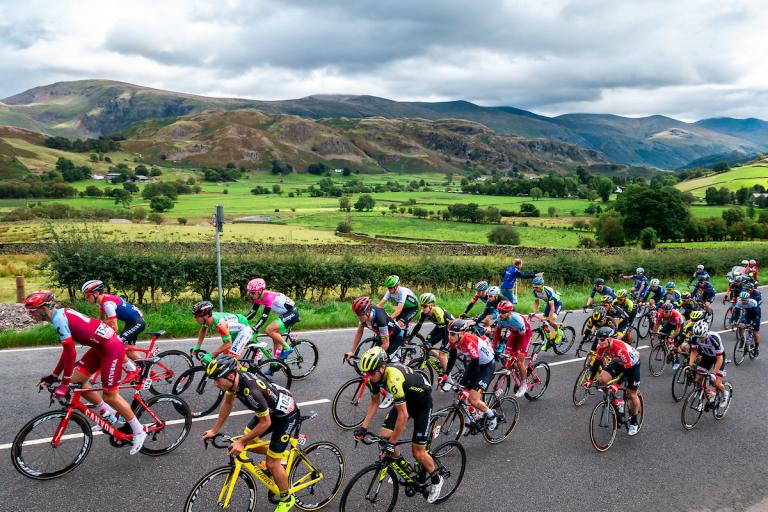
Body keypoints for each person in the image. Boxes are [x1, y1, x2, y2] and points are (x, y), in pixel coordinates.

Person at [26, 291, 146, 454]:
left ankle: (139, 431)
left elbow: (70, 353)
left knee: (110, 395)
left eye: (32, 310)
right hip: (99, 346)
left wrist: (63, 383)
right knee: (77, 382)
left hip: (111, 348)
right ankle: (109, 413)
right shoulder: (59, 316)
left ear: (44, 308)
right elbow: (67, 351)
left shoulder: (59, 319)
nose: (30, 314)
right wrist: (54, 376)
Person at [202, 354, 299, 512]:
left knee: (271, 463)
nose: (214, 384)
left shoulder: (250, 391)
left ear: (231, 375)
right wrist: (215, 430)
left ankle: (287, 499)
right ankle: (280, 454)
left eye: (217, 379)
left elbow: (265, 422)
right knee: (249, 441)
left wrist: (240, 442)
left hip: (286, 415)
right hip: (270, 409)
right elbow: (228, 403)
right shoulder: (233, 383)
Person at [353, 347, 443, 503]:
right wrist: (363, 427)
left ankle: (437, 479)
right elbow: (375, 402)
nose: (369, 376)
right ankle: (406, 469)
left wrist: (392, 443)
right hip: (406, 400)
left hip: (422, 404)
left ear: (382, 368)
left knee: (418, 453)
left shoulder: (392, 378)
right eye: (367, 373)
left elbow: (404, 415)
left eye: (371, 373)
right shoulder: (375, 376)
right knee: (384, 437)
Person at [81, 279, 145, 378]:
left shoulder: (107, 304)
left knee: (117, 345)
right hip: (131, 322)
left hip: (137, 323)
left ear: (96, 293)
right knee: (129, 351)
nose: (86, 298)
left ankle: (133, 371)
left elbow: (114, 326)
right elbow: (100, 321)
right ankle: (148, 370)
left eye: (87, 295)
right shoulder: (101, 301)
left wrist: (101, 338)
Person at [586, 327, 641, 435]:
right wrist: (590, 380)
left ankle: (634, 421)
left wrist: (616, 385)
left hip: (632, 365)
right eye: (598, 339)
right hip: (618, 362)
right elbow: (596, 364)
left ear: (610, 339)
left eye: (602, 339)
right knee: (602, 380)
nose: (599, 342)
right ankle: (616, 401)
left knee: (632, 394)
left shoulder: (620, 349)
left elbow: (628, 370)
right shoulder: (600, 346)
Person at [446, 319, 497, 430]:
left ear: (462, 333)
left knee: (473, 399)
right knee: (462, 394)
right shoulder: (453, 339)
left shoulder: (469, 342)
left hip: (486, 366)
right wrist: (446, 374)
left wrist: (469, 384)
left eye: (453, 334)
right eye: (449, 333)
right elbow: (452, 357)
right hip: (475, 363)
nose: (450, 336)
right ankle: (469, 420)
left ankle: (491, 415)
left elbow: (476, 367)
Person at [246, 278, 299, 361]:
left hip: (292, 312)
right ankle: (275, 364)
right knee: (276, 340)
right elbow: (252, 312)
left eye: (253, 292)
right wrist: (241, 320)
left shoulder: (268, 297)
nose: (251, 295)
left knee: (269, 330)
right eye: (249, 292)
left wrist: (255, 328)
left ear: (260, 291)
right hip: (284, 314)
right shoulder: (258, 298)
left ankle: (288, 348)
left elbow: (264, 316)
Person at [489, 300, 532, 397]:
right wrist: (494, 348)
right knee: (507, 356)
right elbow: (497, 333)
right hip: (514, 333)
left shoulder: (517, 320)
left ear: (509, 312)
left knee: (520, 360)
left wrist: (519, 352)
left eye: (503, 312)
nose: (500, 314)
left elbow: (522, 338)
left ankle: (524, 383)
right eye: (499, 311)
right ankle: (519, 370)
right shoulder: (499, 319)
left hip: (524, 335)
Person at [410, 293, 454, 387]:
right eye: (421, 305)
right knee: (425, 347)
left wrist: (440, 348)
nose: (423, 308)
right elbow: (418, 326)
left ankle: (448, 379)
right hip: (441, 327)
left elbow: (444, 333)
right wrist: (409, 338)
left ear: (431, 305)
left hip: (450, 331)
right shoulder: (424, 313)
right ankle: (442, 362)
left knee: (442, 354)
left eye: (424, 306)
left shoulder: (437, 311)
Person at [687, 321, 729, 411]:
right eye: (698, 337)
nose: (700, 339)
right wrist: (690, 365)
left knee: (716, 383)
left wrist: (713, 374)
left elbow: (719, 359)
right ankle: (703, 400)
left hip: (718, 357)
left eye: (701, 337)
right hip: (707, 356)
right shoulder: (694, 337)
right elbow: (694, 351)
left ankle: (725, 393)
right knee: (698, 380)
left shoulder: (713, 338)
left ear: (706, 332)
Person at [530, 276, 564, 349]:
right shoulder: (535, 292)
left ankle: (559, 332)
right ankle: (548, 342)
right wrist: (534, 312)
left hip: (557, 304)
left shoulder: (547, 292)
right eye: (534, 287)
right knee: (544, 324)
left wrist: (549, 319)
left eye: (537, 287)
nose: (535, 289)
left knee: (550, 321)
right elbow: (536, 302)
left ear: (542, 286)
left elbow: (552, 308)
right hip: (549, 303)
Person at [734, 291, 761, 357]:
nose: (743, 301)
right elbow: (736, 313)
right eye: (742, 300)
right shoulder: (738, 302)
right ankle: (742, 340)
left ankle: (756, 348)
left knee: (755, 332)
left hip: (755, 314)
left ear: (748, 298)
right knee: (740, 325)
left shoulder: (753, 302)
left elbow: (756, 315)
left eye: (745, 300)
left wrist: (753, 323)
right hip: (747, 314)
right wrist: (735, 321)